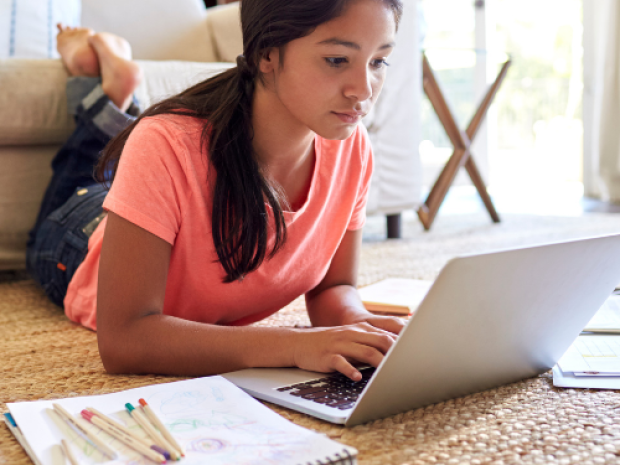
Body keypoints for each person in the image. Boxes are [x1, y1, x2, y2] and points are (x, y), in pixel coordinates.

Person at [27, 0, 405, 382]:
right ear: (267, 54)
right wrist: (295, 345)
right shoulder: (165, 142)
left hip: (155, 191)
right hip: (78, 236)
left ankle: (112, 94)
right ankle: (92, 78)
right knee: (83, 169)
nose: (363, 91)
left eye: (378, 61)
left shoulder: (351, 146)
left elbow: (334, 288)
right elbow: (124, 340)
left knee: (118, 154)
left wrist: (361, 327)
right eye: (337, 60)